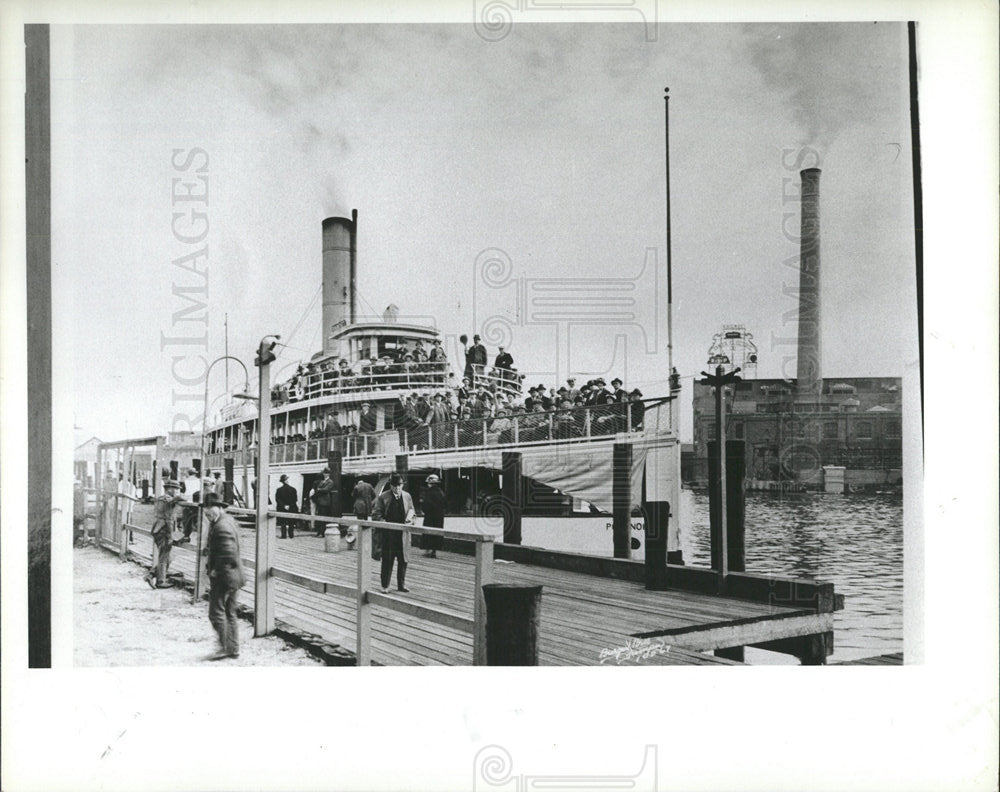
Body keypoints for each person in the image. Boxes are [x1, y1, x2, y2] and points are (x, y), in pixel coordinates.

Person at [202, 492, 245, 660]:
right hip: (234, 575)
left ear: (220, 508)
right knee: (230, 612)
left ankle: (225, 647)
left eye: (210, 507)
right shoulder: (227, 521)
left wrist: (216, 571)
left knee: (216, 613)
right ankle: (233, 648)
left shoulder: (221, 527)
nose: (207, 511)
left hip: (224, 576)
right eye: (205, 508)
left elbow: (228, 552)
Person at [371, 473, 415, 593]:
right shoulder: (383, 497)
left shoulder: (407, 496)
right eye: (395, 486)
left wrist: (410, 520)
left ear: (403, 485)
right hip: (388, 535)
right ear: (391, 486)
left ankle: (401, 585)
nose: (397, 488)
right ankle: (385, 586)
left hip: (403, 535)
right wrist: (386, 524)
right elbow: (376, 515)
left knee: (403, 560)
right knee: (387, 561)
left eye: (399, 485)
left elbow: (412, 511)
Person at [144, 479, 183, 589]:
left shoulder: (161, 498)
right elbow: (169, 520)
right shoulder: (167, 500)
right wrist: (171, 536)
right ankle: (160, 581)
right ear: (169, 489)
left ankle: (151, 574)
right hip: (164, 531)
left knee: (168, 557)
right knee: (164, 557)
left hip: (158, 529)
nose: (177, 491)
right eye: (176, 489)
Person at [351, 475, 378, 557]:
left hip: (359, 504)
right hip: (367, 505)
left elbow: (353, 495)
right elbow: (374, 495)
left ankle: (360, 539)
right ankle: (366, 539)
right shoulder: (369, 485)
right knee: (366, 522)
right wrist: (369, 499)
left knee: (360, 522)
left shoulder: (357, 487)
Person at [420, 474, 446, 558]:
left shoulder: (429, 492)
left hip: (430, 516)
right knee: (437, 533)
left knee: (428, 532)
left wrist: (424, 510)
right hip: (439, 516)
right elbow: (444, 504)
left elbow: (426, 504)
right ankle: (434, 551)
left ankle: (428, 550)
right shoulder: (441, 492)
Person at [310, 467, 337, 537]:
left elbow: (327, 489)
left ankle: (322, 532)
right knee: (319, 517)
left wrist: (319, 489)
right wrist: (319, 489)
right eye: (325, 473)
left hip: (325, 502)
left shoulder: (330, 482)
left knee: (323, 517)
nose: (325, 475)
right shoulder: (322, 481)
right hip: (320, 501)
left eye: (327, 473)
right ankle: (319, 532)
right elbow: (319, 488)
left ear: (329, 474)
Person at [276, 474, 298, 539]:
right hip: (292, 508)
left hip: (282, 508)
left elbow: (278, 499)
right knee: (291, 522)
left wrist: (284, 506)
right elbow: (295, 500)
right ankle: (291, 535)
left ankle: (284, 535)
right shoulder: (293, 489)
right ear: (286, 481)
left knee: (283, 522)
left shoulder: (279, 490)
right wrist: (289, 505)